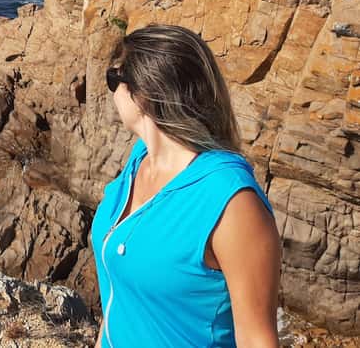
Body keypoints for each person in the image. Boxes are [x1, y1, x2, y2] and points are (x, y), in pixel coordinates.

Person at [90, 24, 281, 347]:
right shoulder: (140, 159)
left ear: (144, 92)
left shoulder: (231, 202)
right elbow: (118, 298)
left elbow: (256, 340)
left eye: (113, 78)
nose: (111, 91)